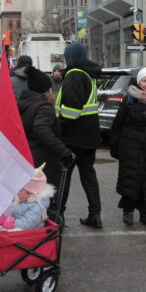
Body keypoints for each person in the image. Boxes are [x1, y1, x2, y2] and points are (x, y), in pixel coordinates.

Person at [109, 68, 146, 227]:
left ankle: (145, 212)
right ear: (139, 82)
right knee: (131, 180)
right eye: (144, 81)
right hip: (130, 146)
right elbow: (117, 124)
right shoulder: (129, 100)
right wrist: (114, 146)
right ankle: (128, 210)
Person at [17, 66, 74, 224]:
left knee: (27, 198)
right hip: (43, 160)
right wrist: (64, 151)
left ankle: (28, 226)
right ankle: (46, 229)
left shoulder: (23, 104)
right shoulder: (43, 106)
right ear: (46, 89)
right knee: (42, 198)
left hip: (26, 156)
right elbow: (41, 130)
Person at [55, 42, 103, 228]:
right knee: (88, 176)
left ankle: (58, 215)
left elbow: (71, 112)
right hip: (89, 136)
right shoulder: (89, 74)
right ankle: (95, 214)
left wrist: (57, 121)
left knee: (64, 177)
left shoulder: (75, 75)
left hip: (72, 137)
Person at [0, 165, 56, 230]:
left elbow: (25, 224)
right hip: (13, 229)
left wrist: (5, 221)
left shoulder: (37, 209)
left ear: (31, 193)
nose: (17, 191)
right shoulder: (20, 198)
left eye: (21, 189)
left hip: (28, 235)